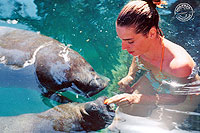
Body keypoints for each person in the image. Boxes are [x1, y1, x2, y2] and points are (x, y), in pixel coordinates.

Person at [106, 0, 200, 131]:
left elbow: (177, 98)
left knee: (155, 127)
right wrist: (130, 75)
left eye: (130, 41)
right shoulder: (140, 48)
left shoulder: (179, 65)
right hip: (154, 79)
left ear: (151, 33)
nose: (123, 47)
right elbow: (137, 58)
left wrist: (138, 98)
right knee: (122, 115)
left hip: (185, 95)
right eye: (122, 40)